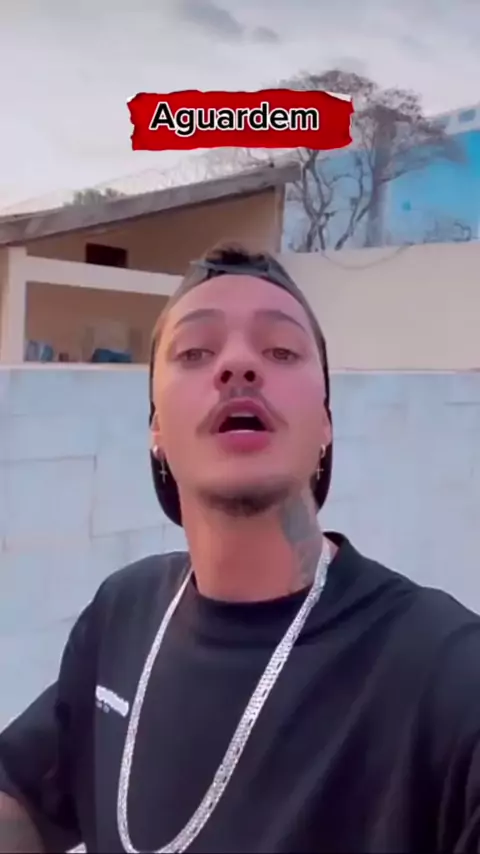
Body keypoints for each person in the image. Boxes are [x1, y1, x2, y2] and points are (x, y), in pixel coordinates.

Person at [1, 243, 480, 854]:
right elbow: (20, 790)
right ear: (156, 429)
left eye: (280, 351)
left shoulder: (448, 674)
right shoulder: (121, 615)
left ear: (326, 424)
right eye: (195, 352)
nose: (238, 366)